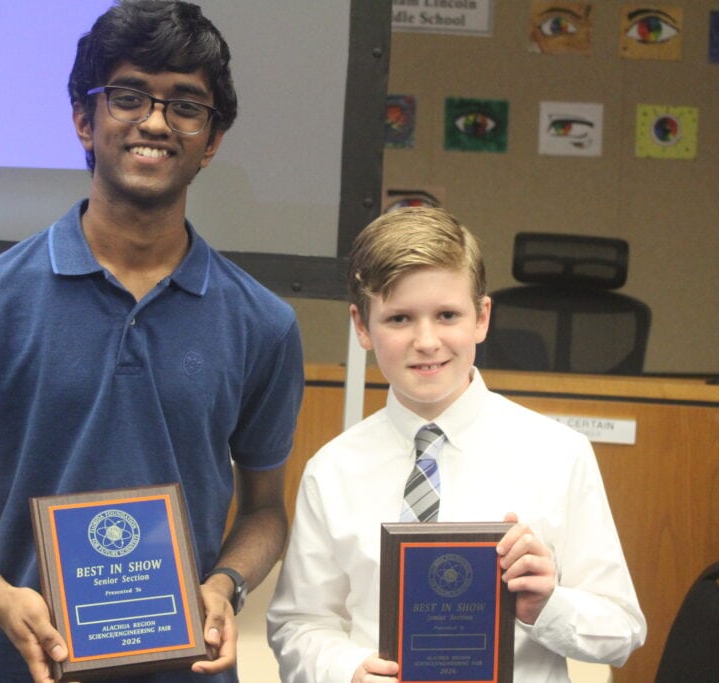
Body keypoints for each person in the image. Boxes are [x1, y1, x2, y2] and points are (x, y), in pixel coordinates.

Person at [0, 2, 304, 682]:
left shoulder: (262, 322)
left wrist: (226, 583)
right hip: (17, 667)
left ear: (212, 140)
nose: (154, 121)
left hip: (186, 669)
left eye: (185, 105)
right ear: (85, 120)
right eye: (128, 96)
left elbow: (264, 509)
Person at [266, 207, 645, 683]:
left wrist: (548, 605)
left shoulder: (558, 455)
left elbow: (623, 631)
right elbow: (298, 623)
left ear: (482, 317)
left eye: (447, 315)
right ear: (362, 326)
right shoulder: (333, 470)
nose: (427, 341)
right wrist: (348, 672)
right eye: (399, 318)